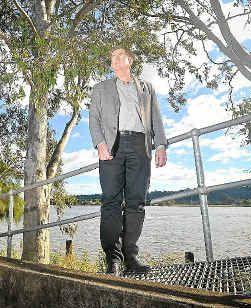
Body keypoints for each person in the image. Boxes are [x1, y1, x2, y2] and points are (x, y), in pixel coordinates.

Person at [89, 47, 168, 276]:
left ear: (129, 60)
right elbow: (94, 119)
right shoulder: (100, 88)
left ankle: (130, 257)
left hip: (140, 146)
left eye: (118, 55)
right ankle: (113, 259)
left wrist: (160, 145)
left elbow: (156, 118)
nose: (113, 59)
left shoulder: (146, 88)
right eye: (111, 56)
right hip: (112, 146)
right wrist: (100, 144)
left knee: (136, 202)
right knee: (111, 202)